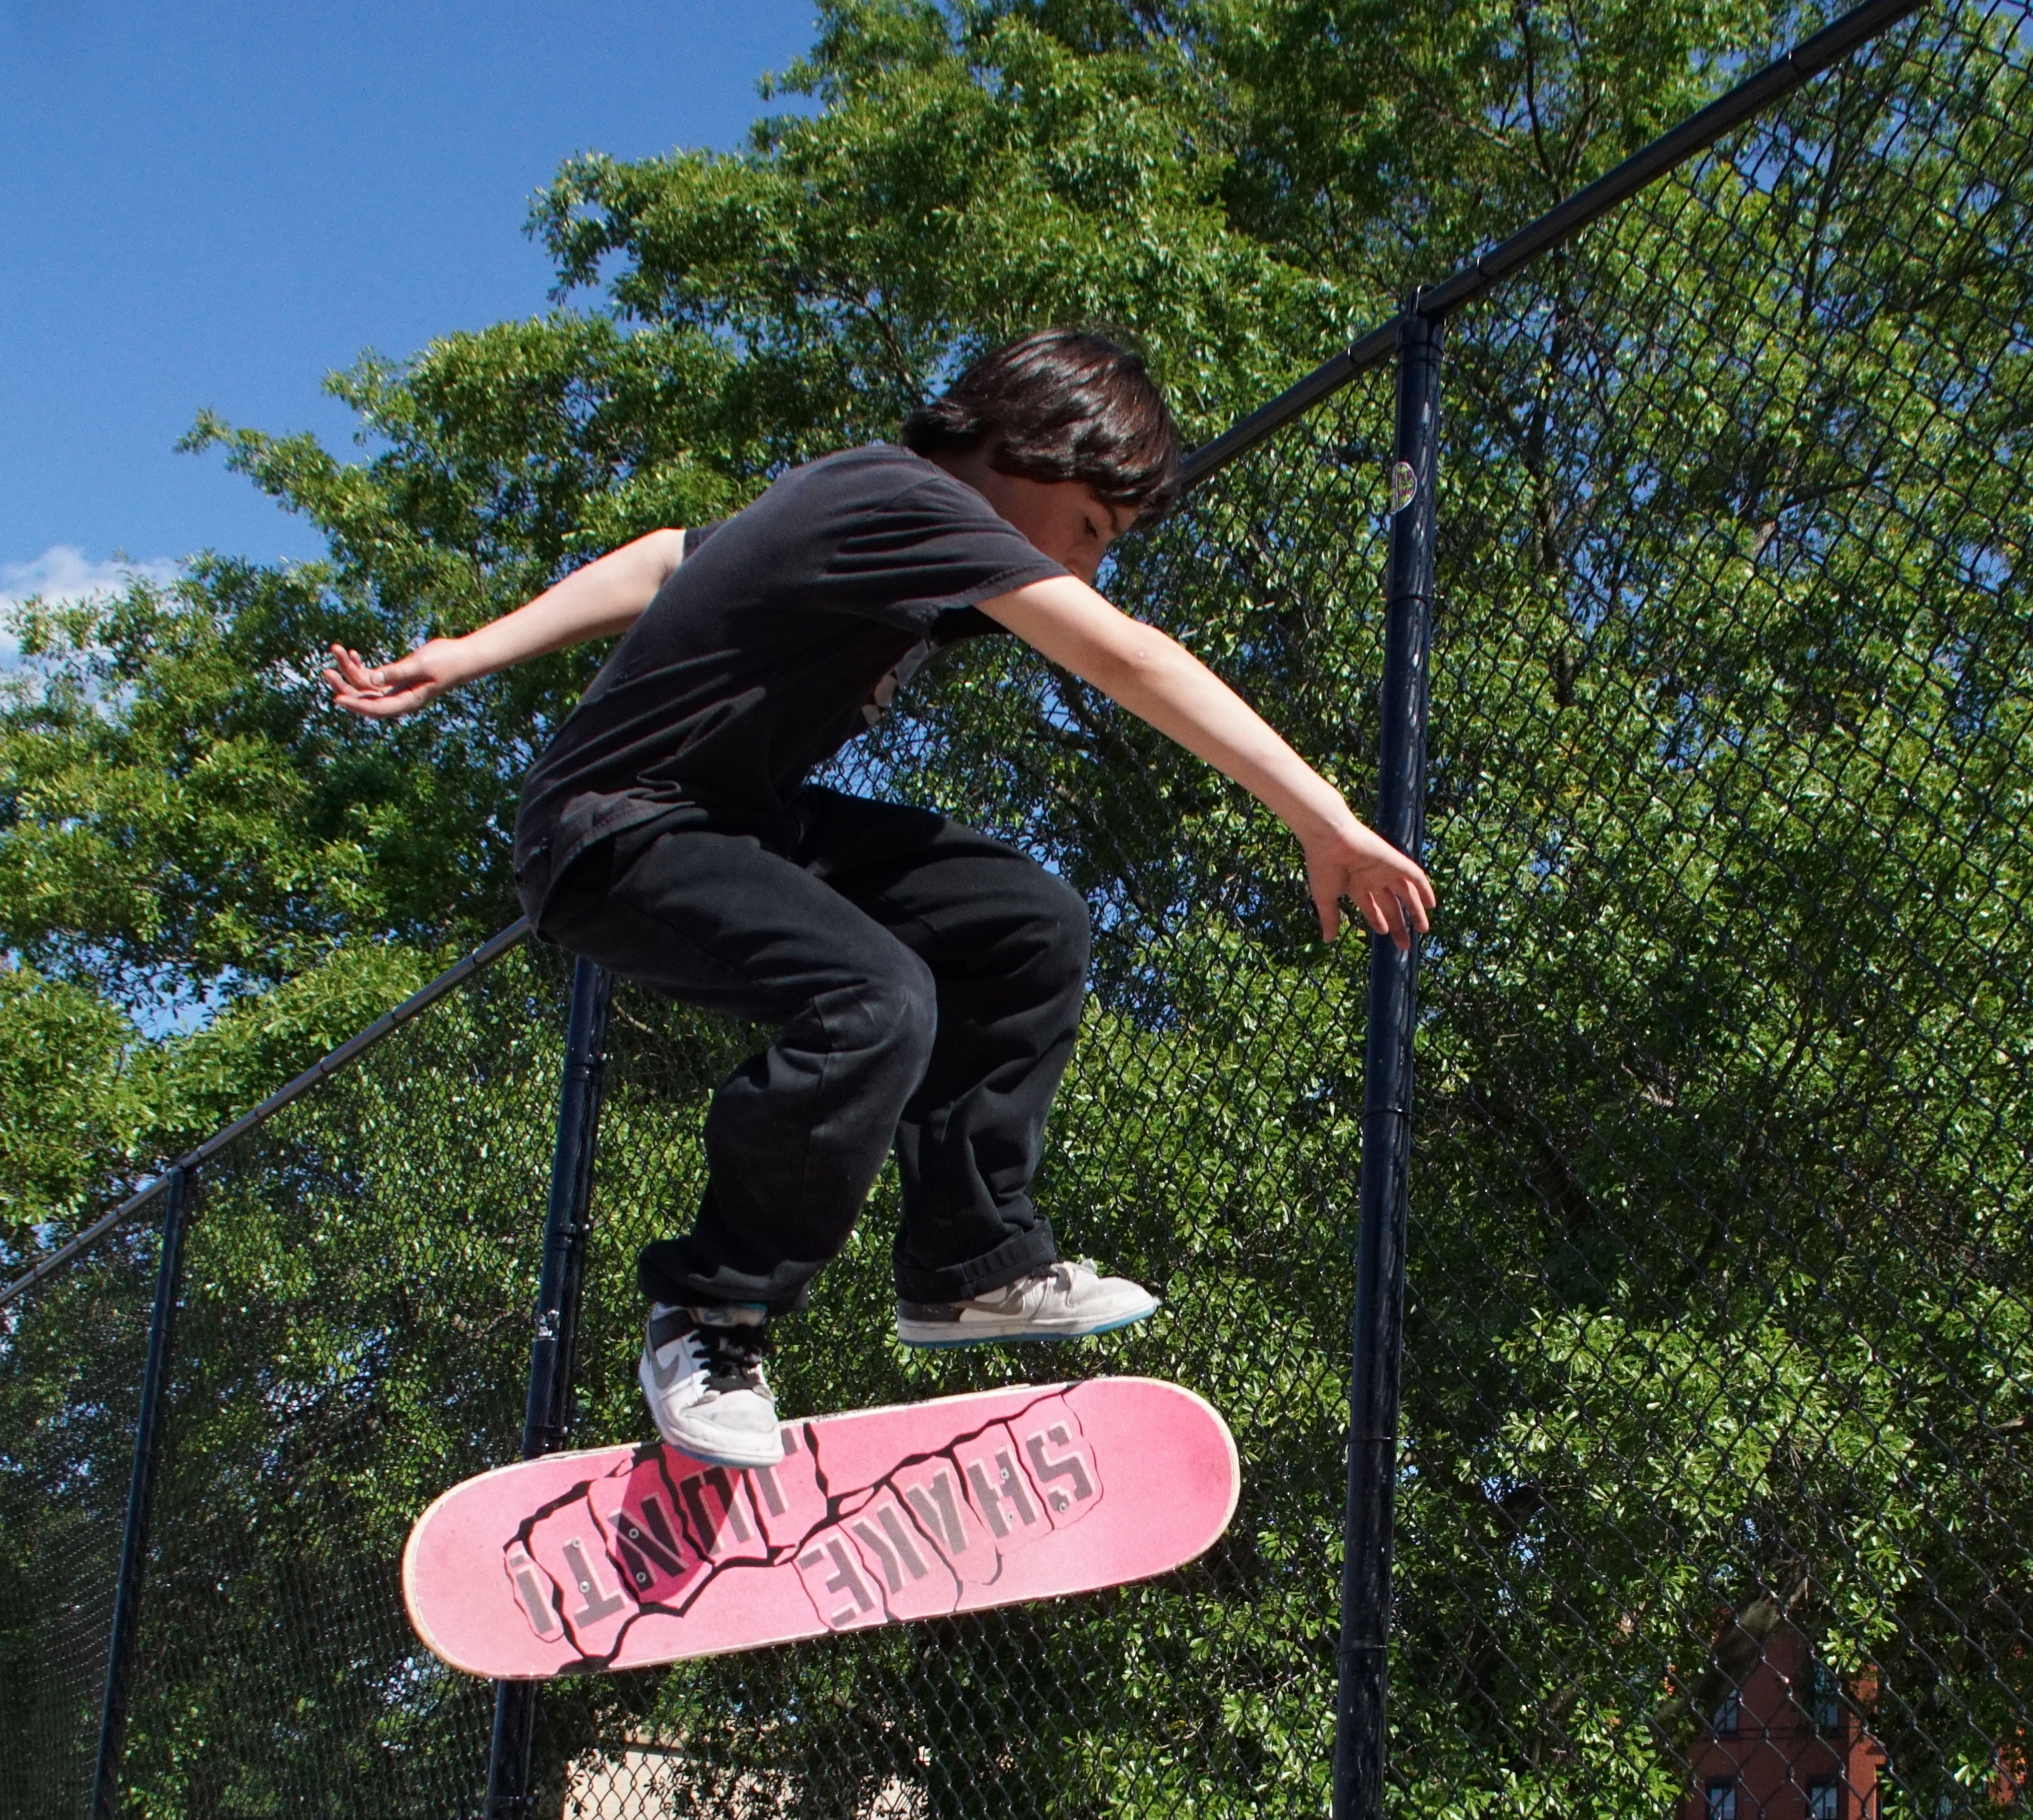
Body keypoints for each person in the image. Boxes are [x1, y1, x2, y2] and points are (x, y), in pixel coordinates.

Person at [326, 330, 1432, 1470]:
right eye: (1093, 533)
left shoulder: (851, 506)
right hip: (611, 831)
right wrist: (1325, 820)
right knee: (874, 997)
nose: (1089, 572)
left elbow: (668, 559)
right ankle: (708, 1316)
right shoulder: (905, 498)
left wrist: (466, 652)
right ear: (1026, 448)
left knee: (1022, 922)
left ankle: (969, 1265)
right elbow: (1125, 658)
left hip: (732, 824)